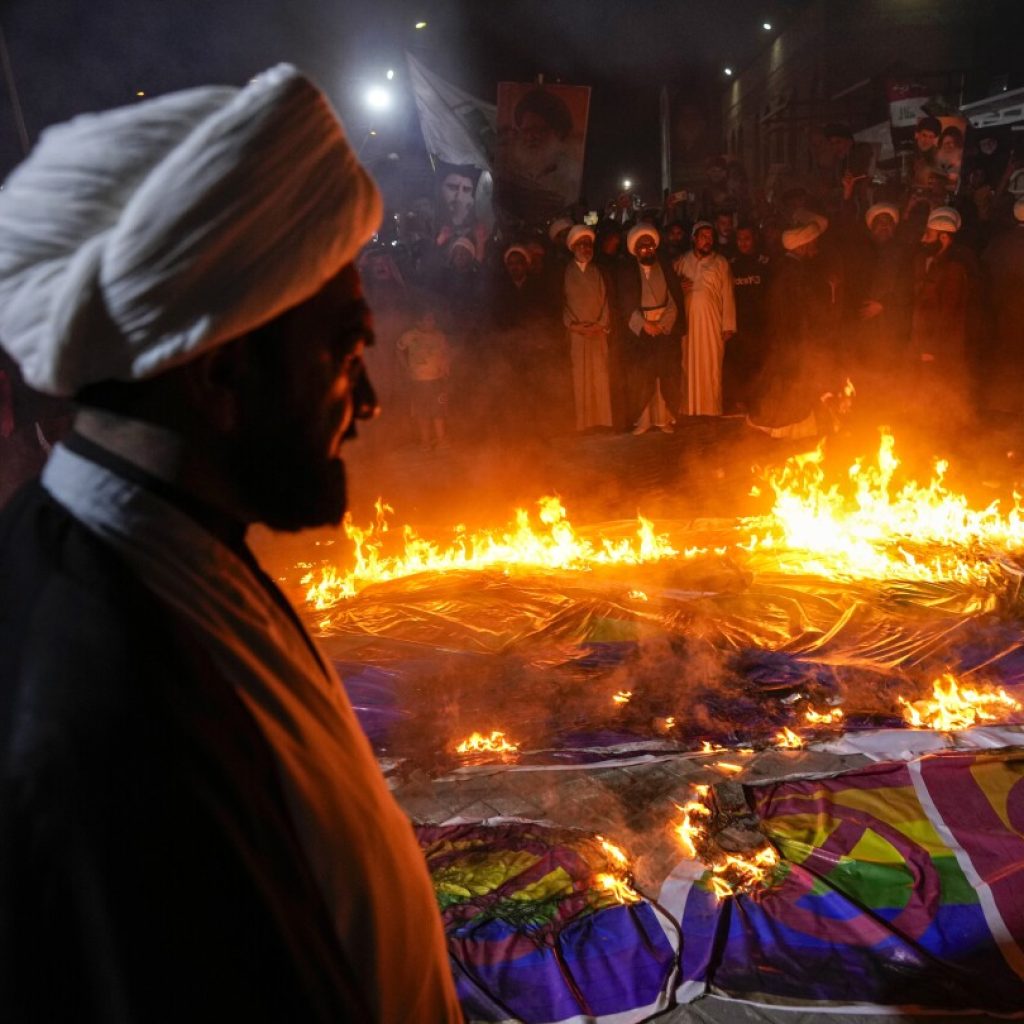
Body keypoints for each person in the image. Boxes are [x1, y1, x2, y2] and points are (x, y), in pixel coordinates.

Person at [0, 66, 462, 1023]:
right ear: (219, 369)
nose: (369, 400)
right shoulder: (99, 699)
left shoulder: (167, 558)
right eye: (342, 350)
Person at [616, 223, 686, 433]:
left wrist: (663, 325)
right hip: (641, 332)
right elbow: (626, 305)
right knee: (642, 377)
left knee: (666, 374)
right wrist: (645, 325)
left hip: (664, 330)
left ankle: (664, 418)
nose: (647, 250)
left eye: (650, 246)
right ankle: (643, 419)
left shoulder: (664, 269)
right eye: (643, 247)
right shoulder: (628, 273)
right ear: (635, 249)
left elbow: (674, 301)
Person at [674, 221, 736, 416]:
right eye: (703, 237)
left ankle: (710, 409)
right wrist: (678, 288)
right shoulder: (681, 262)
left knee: (711, 366)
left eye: (710, 237)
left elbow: (728, 294)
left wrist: (728, 325)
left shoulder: (721, 263)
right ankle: (689, 408)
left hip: (712, 324)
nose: (707, 241)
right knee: (688, 364)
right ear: (694, 238)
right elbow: (669, 291)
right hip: (689, 324)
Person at [562, 225, 614, 430]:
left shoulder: (598, 272)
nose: (585, 249)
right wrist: (574, 326)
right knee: (580, 378)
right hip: (577, 333)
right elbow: (562, 303)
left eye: (588, 245)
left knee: (600, 376)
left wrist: (600, 325)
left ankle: (602, 421)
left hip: (598, 332)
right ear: (573, 247)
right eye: (581, 245)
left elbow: (606, 301)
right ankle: (583, 424)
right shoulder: (565, 272)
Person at [981, 198, 1024, 414]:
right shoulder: (1004, 242)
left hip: (1001, 313)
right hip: (1010, 311)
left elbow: (986, 271)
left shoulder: (1000, 242)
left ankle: (1002, 408)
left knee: (1005, 361)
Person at [726, 223, 772, 413]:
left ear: (754, 239)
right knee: (739, 365)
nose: (743, 243)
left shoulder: (765, 263)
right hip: (738, 325)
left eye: (747, 239)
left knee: (760, 364)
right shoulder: (731, 264)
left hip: (760, 324)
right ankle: (740, 401)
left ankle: (759, 401)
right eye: (739, 239)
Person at [397, 306, 452, 450]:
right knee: (422, 412)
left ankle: (441, 440)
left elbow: (446, 352)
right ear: (419, 322)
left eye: (433, 319)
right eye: (428, 319)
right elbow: (398, 350)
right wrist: (406, 368)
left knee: (439, 410)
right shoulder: (410, 336)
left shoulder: (439, 336)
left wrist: (446, 367)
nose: (432, 322)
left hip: (437, 381)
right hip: (419, 382)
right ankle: (425, 442)